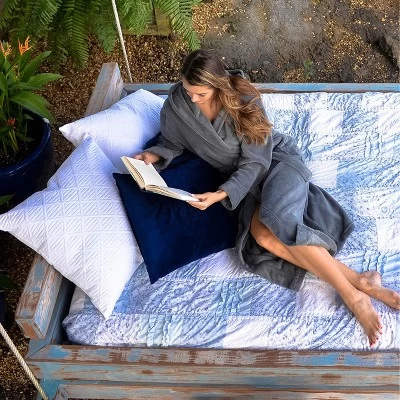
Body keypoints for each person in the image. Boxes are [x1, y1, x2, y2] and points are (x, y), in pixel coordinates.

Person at [135, 49, 400, 347]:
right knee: (262, 238)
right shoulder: (176, 105)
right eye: (188, 90)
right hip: (241, 183)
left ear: (218, 85)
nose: (193, 99)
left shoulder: (244, 98)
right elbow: (172, 141)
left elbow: (255, 162)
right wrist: (153, 155)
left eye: (201, 94)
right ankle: (361, 280)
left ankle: (353, 296)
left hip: (273, 162)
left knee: (279, 221)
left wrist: (222, 193)